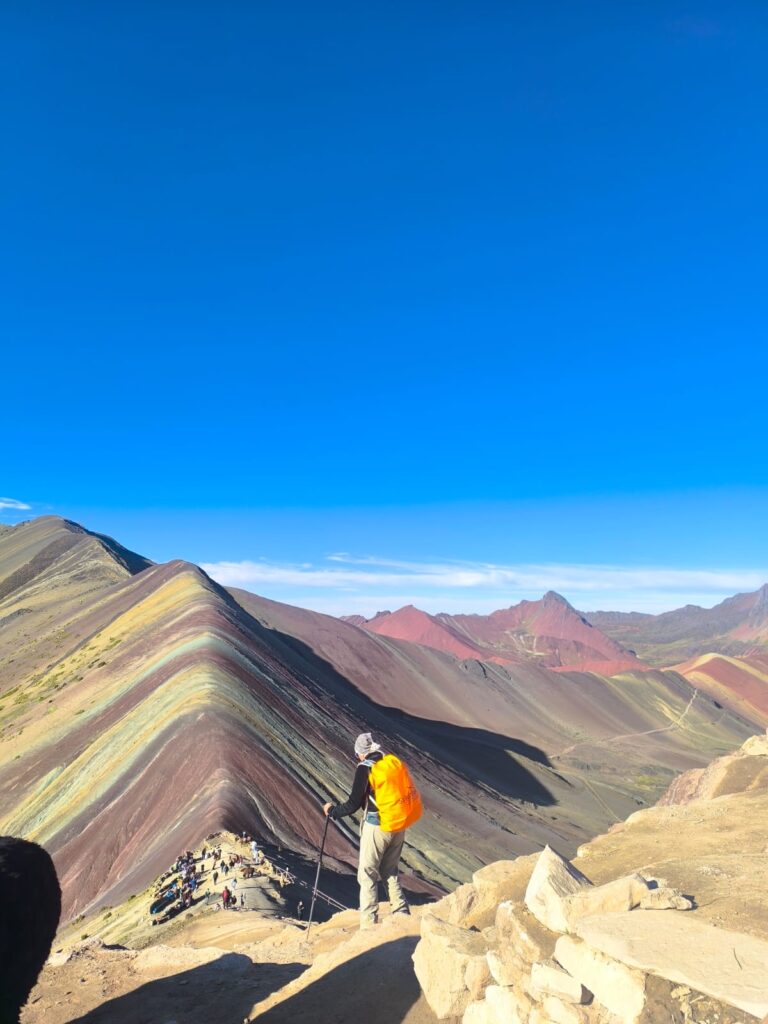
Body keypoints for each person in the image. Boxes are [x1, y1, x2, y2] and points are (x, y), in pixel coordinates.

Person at [324, 731, 422, 929]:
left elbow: (353, 804)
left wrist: (332, 811)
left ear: (360, 753)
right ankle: (402, 912)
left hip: (377, 826)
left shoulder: (365, 768)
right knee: (389, 869)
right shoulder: (389, 761)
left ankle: (369, 923)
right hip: (398, 823)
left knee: (367, 872)